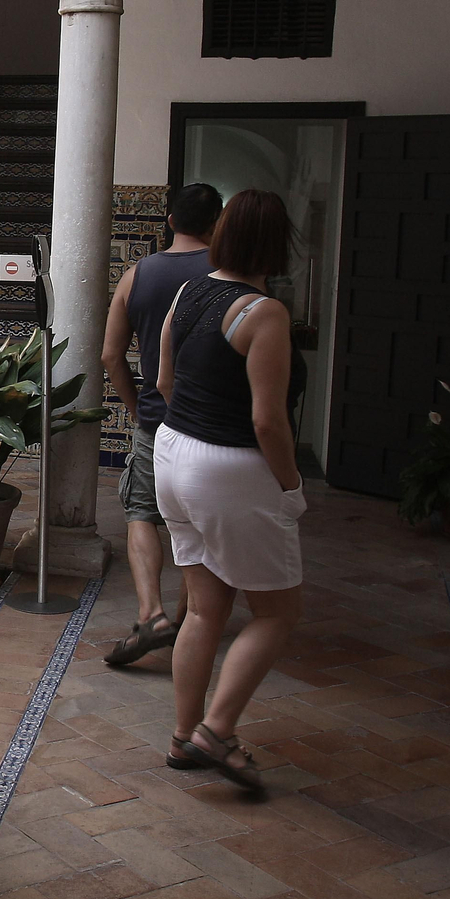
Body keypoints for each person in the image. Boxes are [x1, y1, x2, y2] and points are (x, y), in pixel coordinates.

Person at [154, 188, 304, 792]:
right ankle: (215, 732)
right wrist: (290, 484)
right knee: (277, 611)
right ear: (276, 244)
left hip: (172, 452)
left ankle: (183, 737)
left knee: (204, 606)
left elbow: (164, 381)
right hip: (228, 467)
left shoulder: (189, 291)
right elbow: (268, 421)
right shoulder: (264, 313)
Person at [99, 183, 223, 666]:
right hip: (214, 425)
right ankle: (191, 618)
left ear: (169, 221)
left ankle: (151, 614)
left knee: (141, 513)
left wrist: (137, 408)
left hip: (157, 421)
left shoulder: (138, 275)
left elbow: (111, 356)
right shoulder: (229, 274)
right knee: (199, 525)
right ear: (217, 224)